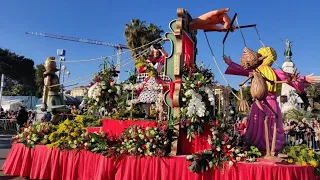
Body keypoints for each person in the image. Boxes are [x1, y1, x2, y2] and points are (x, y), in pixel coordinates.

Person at [223, 47, 320, 152]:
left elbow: (289, 78)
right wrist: (231, 64)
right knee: (258, 124)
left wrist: (304, 79)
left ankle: (270, 148)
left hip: (269, 102)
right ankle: (255, 146)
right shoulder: (256, 70)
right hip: (259, 102)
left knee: (271, 123)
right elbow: (243, 70)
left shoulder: (273, 72)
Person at [137, 45, 169, 119]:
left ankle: (162, 114)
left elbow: (166, 56)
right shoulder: (148, 60)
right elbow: (141, 69)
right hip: (149, 79)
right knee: (146, 97)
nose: (156, 53)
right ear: (152, 52)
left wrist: (162, 49)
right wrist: (146, 68)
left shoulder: (161, 60)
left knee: (161, 96)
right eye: (155, 52)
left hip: (158, 79)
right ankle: (147, 114)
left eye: (158, 52)